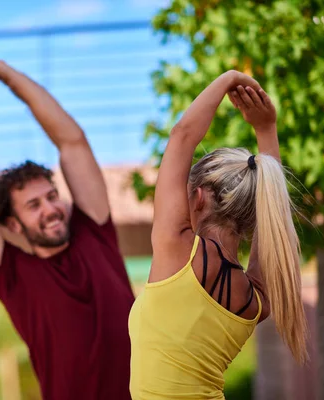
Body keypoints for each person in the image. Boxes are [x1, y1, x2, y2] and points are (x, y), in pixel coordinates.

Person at [0, 61, 135, 400]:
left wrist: (3, 73)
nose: (50, 209)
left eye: (51, 197)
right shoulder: (12, 273)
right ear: (13, 225)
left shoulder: (94, 228)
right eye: (34, 206)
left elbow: (72, 141)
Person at [128, 70, 308, 399]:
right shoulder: (254, 300)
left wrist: (230, 78)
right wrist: (266, 128)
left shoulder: (177, 251)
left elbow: (183, 135)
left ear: (197, 197)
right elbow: (275, 219)